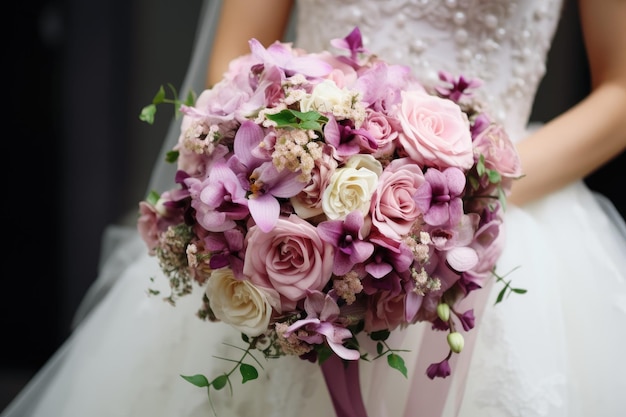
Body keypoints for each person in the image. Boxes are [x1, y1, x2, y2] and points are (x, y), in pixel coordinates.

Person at [3, 0, 625, 416]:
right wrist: (315, 163)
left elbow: (620, 88)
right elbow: (231, 62)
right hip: (304, 196)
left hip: (502, 215)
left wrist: (461, 190)